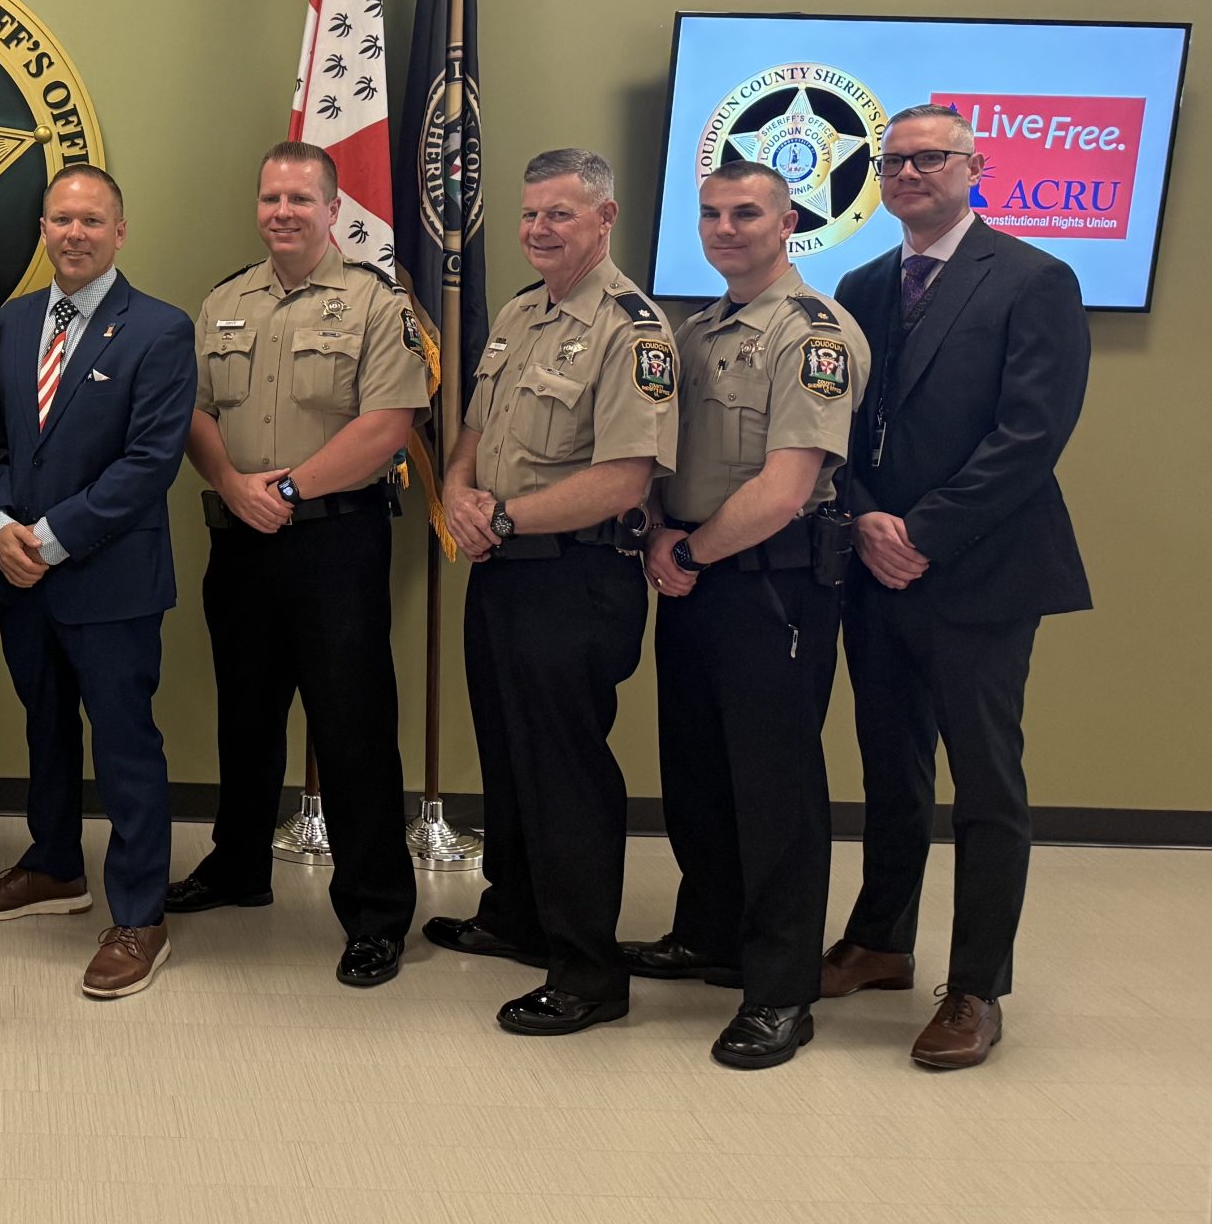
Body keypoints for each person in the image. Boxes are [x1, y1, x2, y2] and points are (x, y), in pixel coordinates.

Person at [823, 103, 1091, 1070]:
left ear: (974, 167)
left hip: (981, 571)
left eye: (928, 158)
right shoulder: (858, 283)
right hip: (873, 564)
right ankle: (882, 941)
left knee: (985, 784)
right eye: (892, 161)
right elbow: (834, 427)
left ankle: (977, 986)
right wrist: (861, 515)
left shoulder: (1034, 279)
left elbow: (1032, 434)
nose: (907, 172)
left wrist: (921, 533)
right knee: (889, 769)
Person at [166, 141, 429, 989]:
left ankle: (377, 911)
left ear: (332, 208)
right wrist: (232, 485)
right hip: (240, 533)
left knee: (352, 726)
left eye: (299, 200)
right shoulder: (223, 302)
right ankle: (238, 865)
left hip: (336, 541)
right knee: (245, 714)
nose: (283, 212)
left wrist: (282, 487)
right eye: (271, 198)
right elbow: (196, 413)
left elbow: (388, 424)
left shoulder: (375, 305)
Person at [625, 161, 870, 1068]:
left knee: (775, 789)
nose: (725, 227)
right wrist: (661, 534)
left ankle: (780, 989)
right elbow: (659, 453)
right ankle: (711, 935)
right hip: (689, 572)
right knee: (696, 770)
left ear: (788, 219)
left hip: (770, 584)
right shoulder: (697, 330)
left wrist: (685, 552)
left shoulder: (812, 335)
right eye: (711, 214)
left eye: (746, 213)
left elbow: (787, 486)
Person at [432, 148, 677, 1036]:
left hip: (577, 578)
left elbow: (622, 481)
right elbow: (473, 431)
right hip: (503, 573)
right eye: (531, 214)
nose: (538, 229)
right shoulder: (520, 312)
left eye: (559, 215)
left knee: (566, 771)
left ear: (604, 219)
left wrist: (497, 520)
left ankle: (586, 969)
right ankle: (517, 914)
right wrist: (457, 495)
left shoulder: (632, 329)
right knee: (506, 752)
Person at [0, 165, 196, 1000]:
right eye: (61, 220)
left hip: (110, 581)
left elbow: (149, 464)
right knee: (46, 729)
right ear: (42, 229)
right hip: (20, 577)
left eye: (91, 221)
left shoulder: (160, 330)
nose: (74, 234)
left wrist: (51, 539)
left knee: (125, 744)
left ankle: (140, 915)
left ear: (120, 232)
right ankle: (54, 868)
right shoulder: (12, 321)